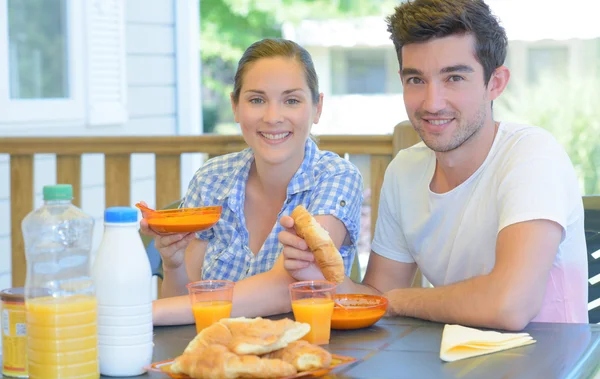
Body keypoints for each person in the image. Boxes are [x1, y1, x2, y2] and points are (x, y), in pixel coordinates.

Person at [279, 0, 588, 331]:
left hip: (552, 369)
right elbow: (377, 297)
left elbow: (509, 306)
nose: (432, 102)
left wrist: (398, 301)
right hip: (452, 366)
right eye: (416, 80)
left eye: (454, 77)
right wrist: (318, 277)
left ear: (495, 83)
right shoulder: (405, 170)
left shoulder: (532, 156)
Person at [144, 38, 364, 325]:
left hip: (310, 353)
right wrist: (173, 266)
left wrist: (142, 313)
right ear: (235, 106)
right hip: (217, 358)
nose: (273, 117)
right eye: (257, 100)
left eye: (292, 100)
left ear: (317, 107)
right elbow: (181, 306)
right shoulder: (211, 179)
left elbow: (286, 287)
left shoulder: (336, 177)